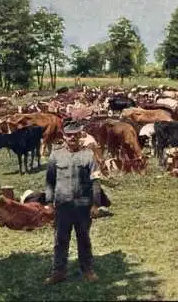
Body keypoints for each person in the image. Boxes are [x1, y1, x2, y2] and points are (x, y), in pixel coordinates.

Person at [43, 121, 103, 285]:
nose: (72, 138)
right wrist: (48, 203)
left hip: (83, 206)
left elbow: (96, 180)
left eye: (76, 135)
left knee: (84, 239)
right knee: (60, 240)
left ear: (80, 135)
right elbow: (49, 181)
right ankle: (58, 272)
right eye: (69, 135)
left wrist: (95, 204)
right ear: (64, 136)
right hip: (63, 206)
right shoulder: (55, 155)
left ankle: (87, 270)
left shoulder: (88, 155)